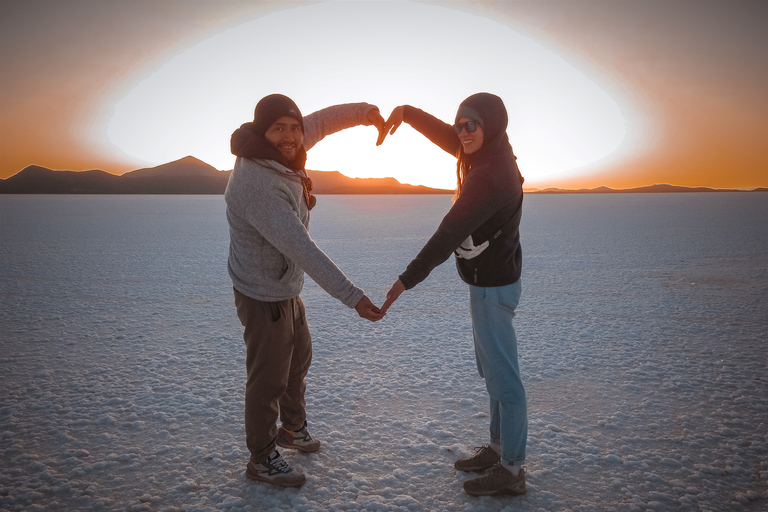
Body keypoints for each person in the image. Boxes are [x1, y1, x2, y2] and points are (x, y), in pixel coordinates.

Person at [226, 94, 386, 487]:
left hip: (285, 286)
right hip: (263, 293)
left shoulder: (286, 146)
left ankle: (292, 429)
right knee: (268, 378)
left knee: (298, 359)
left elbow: (323, 121)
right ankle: (261, 457)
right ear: (262, 131)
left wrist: (366, 114)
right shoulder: (257, 183)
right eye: (279, 128)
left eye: (294, 127)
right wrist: (354, 297)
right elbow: (303, 250)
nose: (291, 136)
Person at [378, 93, 527, 497]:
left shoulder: (489, 177)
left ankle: (512, 469)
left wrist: (404, 281)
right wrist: (408, 114)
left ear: (490, 126)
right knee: (494, 374)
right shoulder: (494, 150)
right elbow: (451, 138)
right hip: (491, 281)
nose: (462, 132)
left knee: (505, 380)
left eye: (471, 125)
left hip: (493, 287)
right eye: (460, 123)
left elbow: (447, 235)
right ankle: (498, 449)